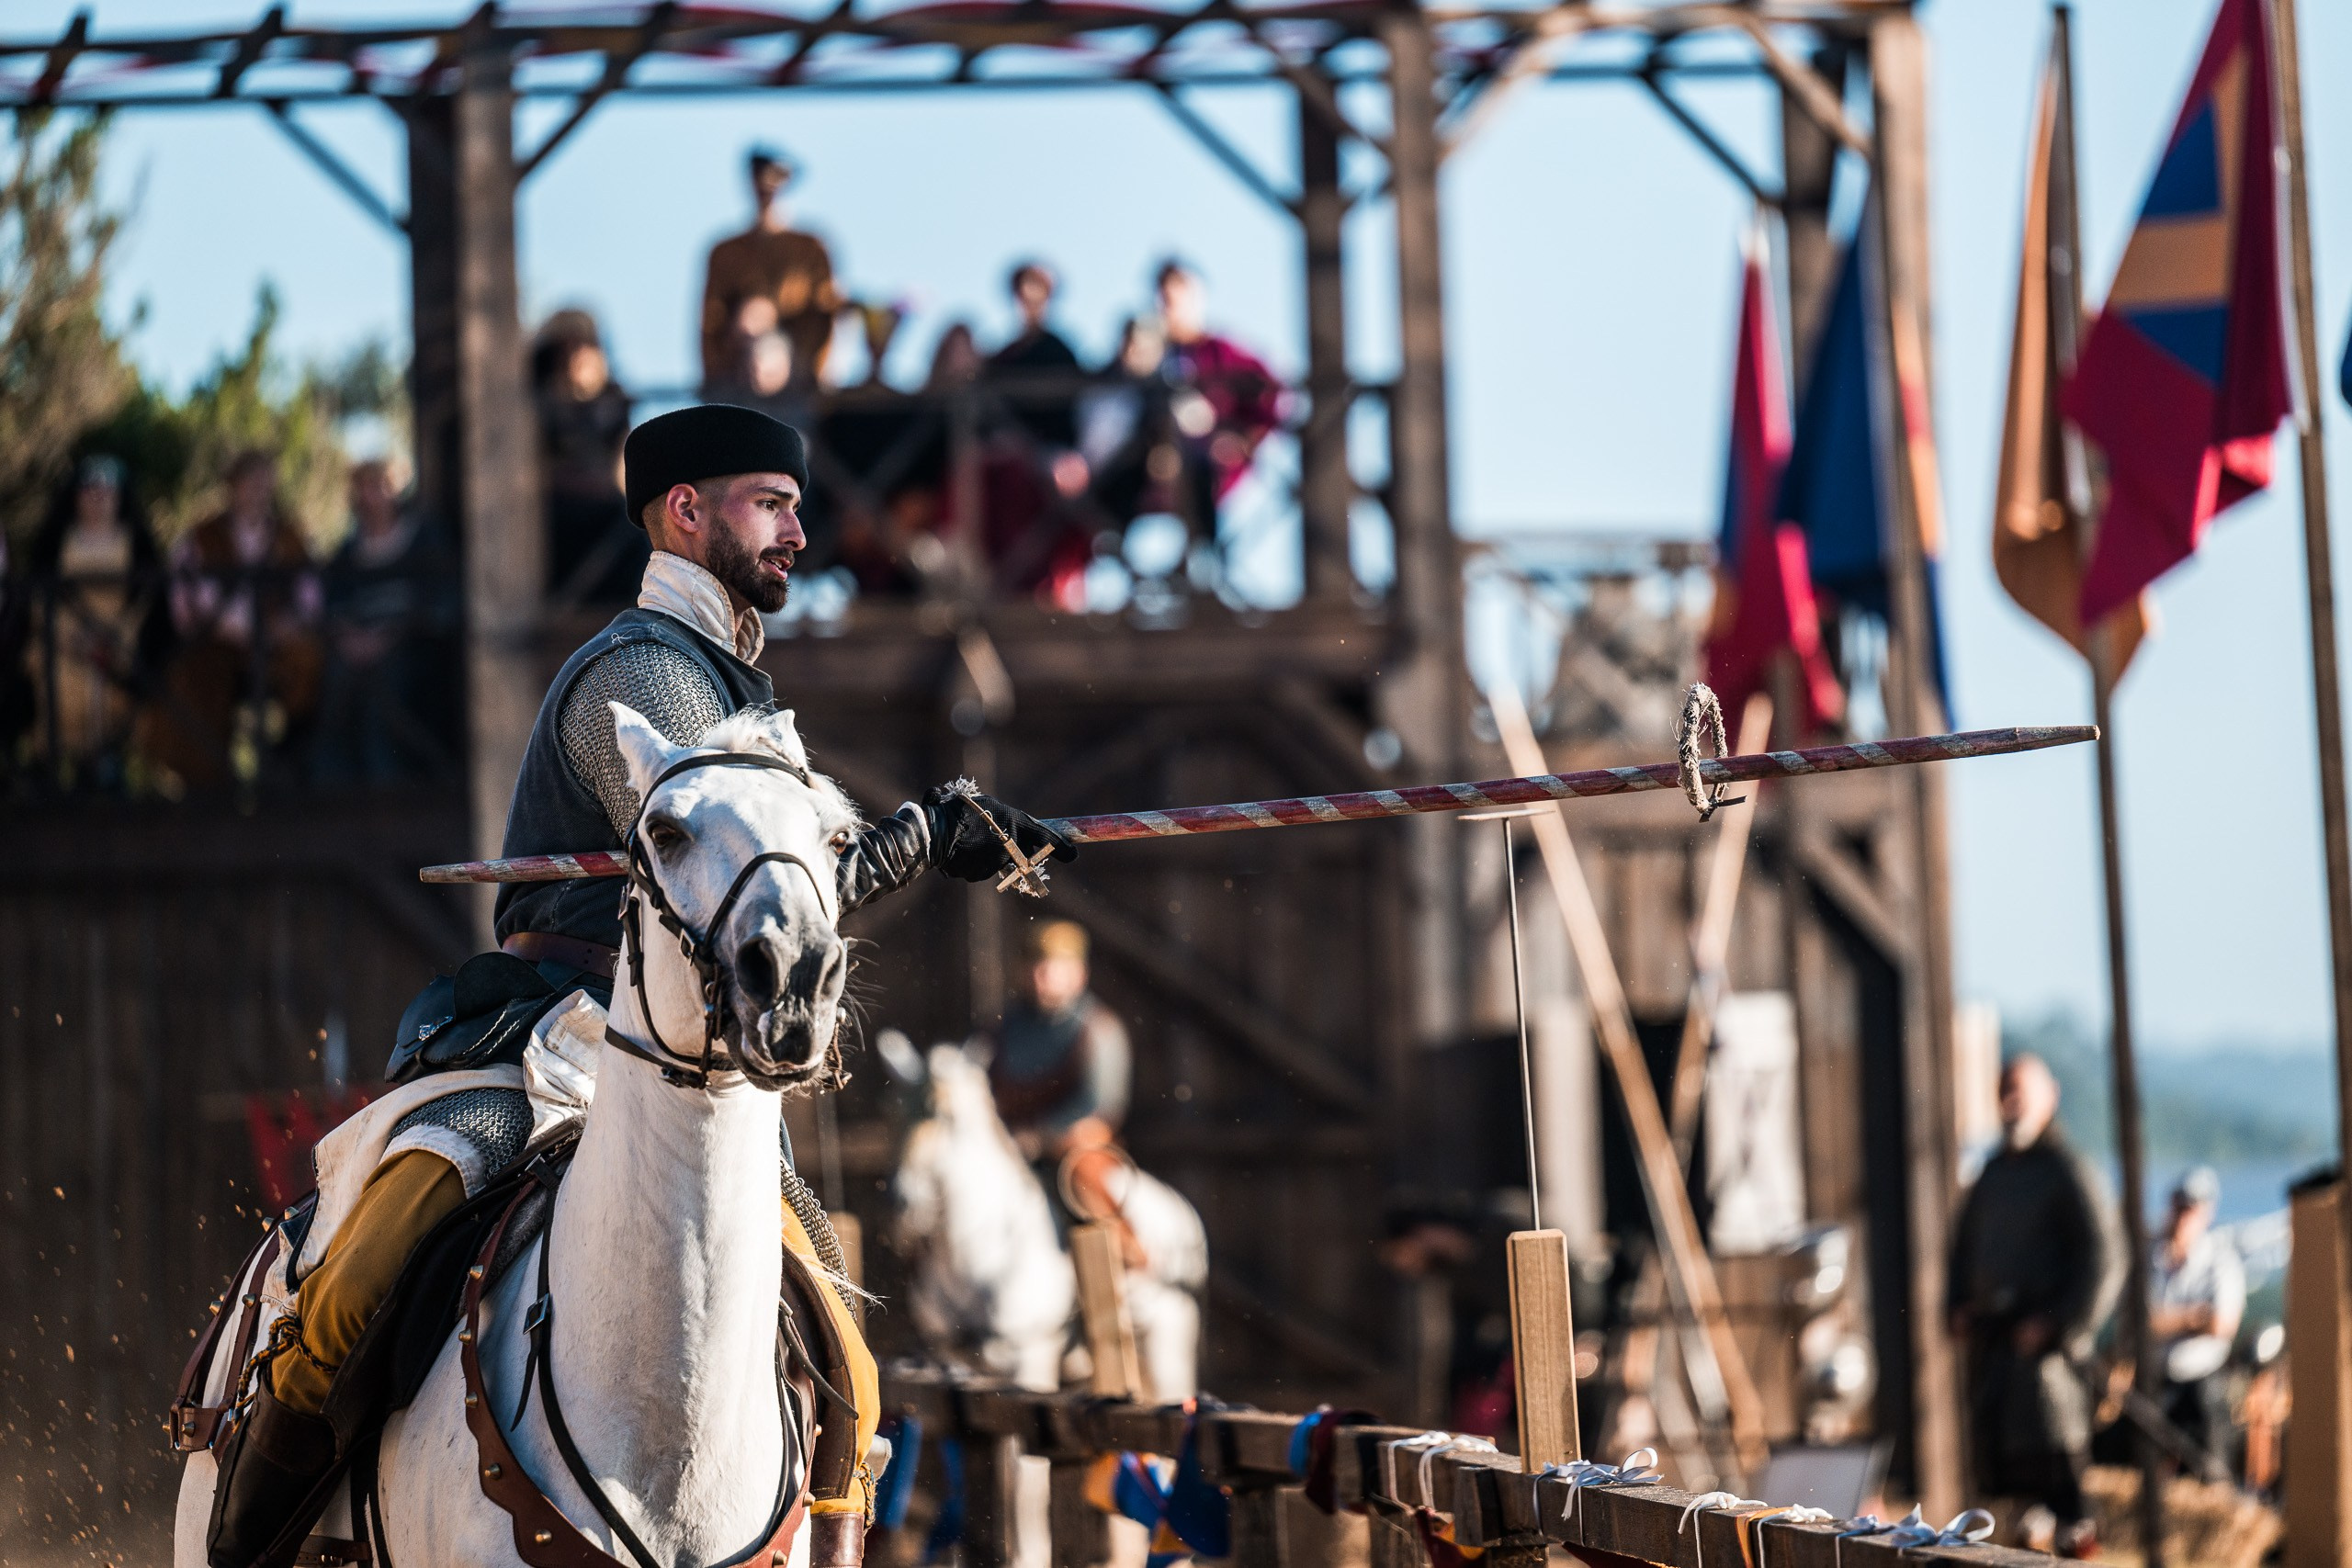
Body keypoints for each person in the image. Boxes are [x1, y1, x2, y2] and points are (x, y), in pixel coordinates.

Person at [209, 402, 1077, 1563]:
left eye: (796, 508)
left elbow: (796, 892)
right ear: (685, 512)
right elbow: (726, 884)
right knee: (358, 1281)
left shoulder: (745, 702)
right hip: (544, 1048)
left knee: (849, 1371)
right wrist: (919, 837)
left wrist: (941, 830)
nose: (798, 535)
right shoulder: (635, 677)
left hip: (696, 1074)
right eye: (771, 504)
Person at [1946, 1055, 2122, 1559]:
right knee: (2010, 1506)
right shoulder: (1993, 1173)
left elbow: (2106, 1257)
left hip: (2047, 1365)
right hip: (1995, 1356)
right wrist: (1957, 1305)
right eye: (2005, 1090)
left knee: (2065, 1497)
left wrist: (2060, 1324)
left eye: (2021, 1090)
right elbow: (1962, 1250)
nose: (2011, 1101)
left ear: (2050, 1096)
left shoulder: (2066, 1170)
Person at [154, 449, 323, 789]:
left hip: (278, 643)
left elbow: (311, 595)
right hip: (216, 643)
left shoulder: (291, 535)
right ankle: (210, 783)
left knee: (313, 665)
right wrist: (235, 627)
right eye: (250, 481)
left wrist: (290, 625)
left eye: (265, 482)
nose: (258, 490)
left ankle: (291, 768)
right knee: (196, 681)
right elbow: (188, 598)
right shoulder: (202, 536)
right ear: (233, 486)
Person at [9, 456, 171, 787]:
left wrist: (117, 638)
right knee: (57, 688)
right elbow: (40, 601)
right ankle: (47, 768)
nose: (98, 499)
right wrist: (72, 637)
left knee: (116, 697)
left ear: (119, 497)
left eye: (107, 492)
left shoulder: (139, 545)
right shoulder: (54, 543)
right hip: (62, 645)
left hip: (119, 648)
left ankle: (105, 764)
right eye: (90, 491)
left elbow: (148, 604)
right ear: (75, 497)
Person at [311, 459, 459, 784]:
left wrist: (390, 636)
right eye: (364, 487)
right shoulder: (347, 551)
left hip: (412, 647)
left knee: (386, 697)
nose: (373, 496)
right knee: (335, 686)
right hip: (355, 649)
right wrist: (349, 639)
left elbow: (442, 605)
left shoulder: (425, 537)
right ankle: (332, 789)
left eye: (380, 485)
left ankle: (391, 787)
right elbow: (332, 606)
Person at [984, 919, 1131, 1166]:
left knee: (1091, 1185)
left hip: (1072, 1154)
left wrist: (1040, 1139)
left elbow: (1101, 1110)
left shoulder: (1098, 1029)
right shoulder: (1002, 1029)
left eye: (1050, 968)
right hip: (1002, 1153)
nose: (1039, 976)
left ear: (1079, 973)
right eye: (1033, 966)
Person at [1153, 259, 1283, 533]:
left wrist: (1242, 440)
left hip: (1208, 472)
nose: (1168, 307)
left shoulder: (1223, 353)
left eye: (1175, 297)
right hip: (1155, 469)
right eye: (1164, 298)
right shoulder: (1153, 356)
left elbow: (1272, 396)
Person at [699, 146, 841, 396]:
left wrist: (816, 376)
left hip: (797, 379)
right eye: (759, 175)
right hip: (735, 382)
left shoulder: (810, 248)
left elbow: (826, 314)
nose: (766, 185)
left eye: (774, 175)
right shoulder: (725, 253)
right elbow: (711, 324)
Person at [533, 309, 644, 604]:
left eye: (586, 345)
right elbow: (536, 474)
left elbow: (622, 474)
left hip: (608, 517)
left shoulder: (613, 404)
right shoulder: (538, 407)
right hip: (557, 517)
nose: (578, 355)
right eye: (569, 347)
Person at [2149, 1166, 2245, 1474]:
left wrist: (2166, 1321)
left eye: (2191, 1209)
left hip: (2203, 1383)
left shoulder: (2221, 1260)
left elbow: (2221, 1325)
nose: (2182, 1216)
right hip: (2158, 1382)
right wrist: (2194, 1317)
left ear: (2206, 1212)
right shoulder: (2151, 1258)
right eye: (2179, 1206)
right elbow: (2140, 1321)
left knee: (2211, 1470)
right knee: (2146, 1468)